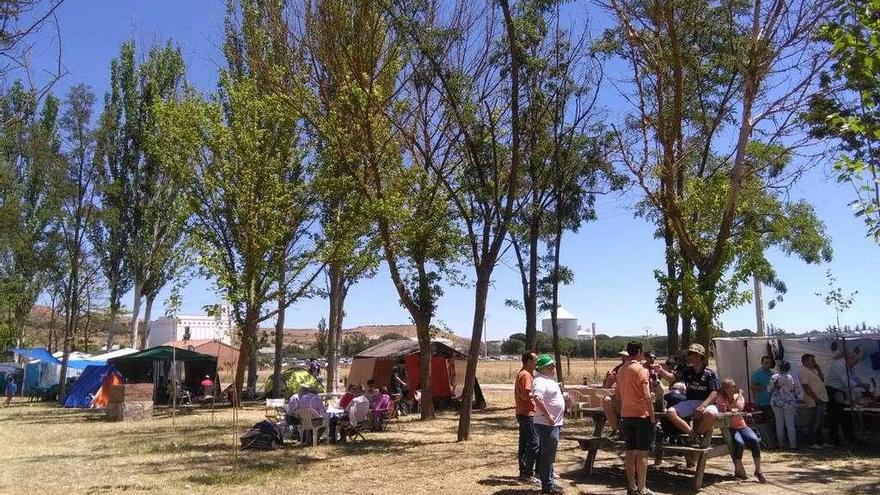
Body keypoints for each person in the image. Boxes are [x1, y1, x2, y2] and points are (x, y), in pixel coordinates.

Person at [657, 343, 720, 445]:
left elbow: (715, 392)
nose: (691, 356)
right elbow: (671, 377)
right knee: (670, 412)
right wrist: (660, 370)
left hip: (707, 403)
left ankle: (697, 434)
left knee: (710, 414)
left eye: (693, 354)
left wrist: (703, 406)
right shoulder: (687, 370)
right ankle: (692, 434)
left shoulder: (710, 373)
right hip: (690, 401)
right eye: (690, 354)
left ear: (700, 356)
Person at [617, 341, 656, 495]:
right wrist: (652, 416)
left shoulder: (621, 370)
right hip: (641, 415)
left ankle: (631, 486)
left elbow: (618, 395)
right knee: (642, 454)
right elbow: (646, 395)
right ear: (639, 351)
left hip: (626, 415)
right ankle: (642, 488)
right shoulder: (641, 370)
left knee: (630, 452)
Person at [713, 378, 766, 483]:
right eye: (729, 387)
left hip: (741, 425)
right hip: (730, 427)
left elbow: (739, 408)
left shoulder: (738, 397)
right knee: (739, 442)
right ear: (724, 389)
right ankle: (738, 469)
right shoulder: (720, 399)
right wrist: (738, 397)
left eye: (733, 386)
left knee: (754, 439)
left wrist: (739, 396)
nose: (733, 388)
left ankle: (758, 470)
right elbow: (727, 410)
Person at [531, 354, 565, 494]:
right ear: (543, 368)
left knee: (550, 455)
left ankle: (550, 482)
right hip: (546, 424)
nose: (554, 368)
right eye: (551, 366)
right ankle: (548, 486)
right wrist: (548, 415)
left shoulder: (549, 380)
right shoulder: (539, 381)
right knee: (547, 455)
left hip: (554, 423)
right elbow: (537, 398)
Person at [825, 352, 868, 447]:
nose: (856, 364)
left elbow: (854, 378)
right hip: (833, 391)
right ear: (850, 358)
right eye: (855, 361)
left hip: (842, 391)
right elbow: (846, 382)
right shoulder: (838, 365)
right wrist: (861, 385)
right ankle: (834, 440)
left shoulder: (849, 366)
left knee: (847, 415)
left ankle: (851, 438)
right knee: (834, 416)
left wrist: (863, 383)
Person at [514, 351, 540, 485]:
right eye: (535, 360)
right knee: (534, 443)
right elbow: (525, 396)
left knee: (524, 444)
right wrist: (538, 396)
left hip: (521, 413)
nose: (537, 363)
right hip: (527, 413)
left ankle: (523, 472)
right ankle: (529, 473)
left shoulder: (522, 373)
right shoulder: (526, 375)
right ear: (529, 361)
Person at [799, 354, 830, 448]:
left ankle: (820, 441)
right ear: (805, 361)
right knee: (815, 422)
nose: (814, 363)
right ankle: (812, 442)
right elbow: (805, 386)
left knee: (820, 422)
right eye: (812, 361)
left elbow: (822, 379)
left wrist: (819, 369)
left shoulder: (813, 370)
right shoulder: (803, 370)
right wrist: (815, 398)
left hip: (821, 397)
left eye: (814, 361)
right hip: (814, 400)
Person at [769, 361, 800, 450]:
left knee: (779, 424)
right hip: (789, 402)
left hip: (777, 402)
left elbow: (769, 389)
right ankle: (793, 445)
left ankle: (781, 444)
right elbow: (798, 391)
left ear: (778, 368)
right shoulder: (793, 377)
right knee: (790, 425)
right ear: (788, 368)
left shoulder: (774, 377)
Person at [601, 350, 631, 433]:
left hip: (631, 400)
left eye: (625, 356)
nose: (623, 358)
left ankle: (621, 430)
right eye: (622, 356)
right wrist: (609, 379)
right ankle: (617, 429)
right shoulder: (617, 369)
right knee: (607, 401)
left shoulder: (635, 368)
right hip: (619, 399)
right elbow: (605, 387)